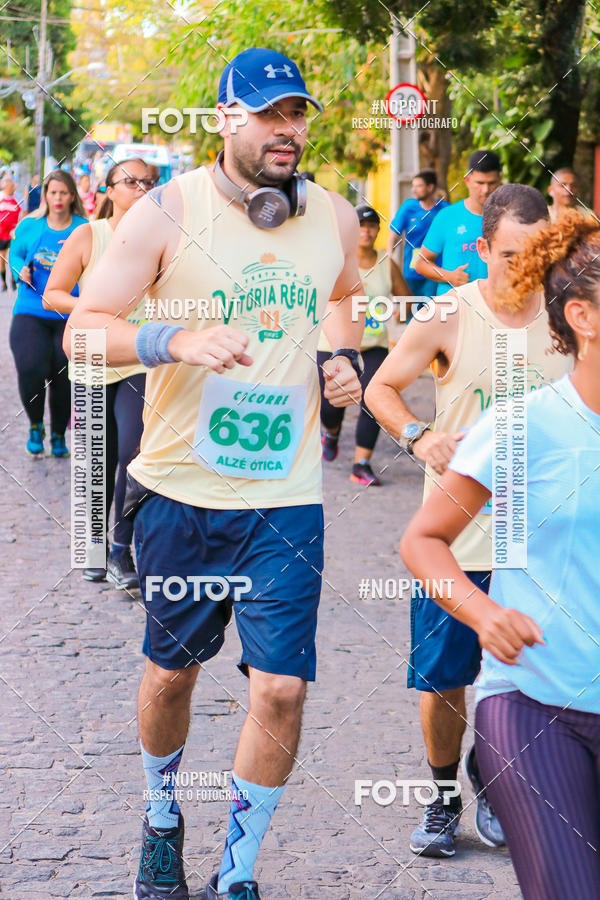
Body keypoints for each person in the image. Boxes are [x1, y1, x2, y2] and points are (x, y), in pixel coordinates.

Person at [66, 47, 364, 900]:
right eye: (270, 114)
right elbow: (83, 335)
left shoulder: (334, 216)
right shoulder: (162, 214)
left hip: (284, 501)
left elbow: (342, 292)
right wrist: (175, 340)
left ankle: (236, 874)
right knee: (172, 673)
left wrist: (340, 359)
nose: (288, 130)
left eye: (298, 114)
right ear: (226, 118)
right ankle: (163, 814)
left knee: (280, 691)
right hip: (180, 493)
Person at [399, 209, 600, 898]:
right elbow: (423, 540)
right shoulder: (526, 425)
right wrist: (483, 615)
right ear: (583, 316)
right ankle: (448, 793)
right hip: (535, 700)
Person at [365, 184, 570, 858]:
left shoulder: (572, 317)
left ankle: (501, 785)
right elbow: (380, 388)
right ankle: (442, 794)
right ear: (480, 248)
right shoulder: (449, 314)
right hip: (454, 540)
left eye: (540, 254)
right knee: (445, 679)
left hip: (543, 542)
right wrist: (419, 436)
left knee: (531, 679)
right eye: (512, 255)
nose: (526, 268)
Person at [44, 159, 156, 587]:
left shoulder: (161, 239)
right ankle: (90, 547)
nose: (142, 188)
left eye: (148, 182)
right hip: (91, 354)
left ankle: (119, 551)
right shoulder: (89, 235)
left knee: (133, 457)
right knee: (96, 459)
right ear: (109, 190)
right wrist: (93, 309)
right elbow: (54, 293)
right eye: (131, 182)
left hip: (136, 357)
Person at [318, 204, 407, 485]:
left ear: (378, 231)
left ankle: (361, 464)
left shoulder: (386, 263)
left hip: (374, 346)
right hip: (333, 344)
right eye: (361, 226)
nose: (367, 231)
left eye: (372, 226)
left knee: (373, 399)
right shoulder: (336, 260)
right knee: (331, 405)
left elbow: (405, 300)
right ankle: (331, 433)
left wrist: (398, 310)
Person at [8, 171, 87, 457]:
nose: (58, 199)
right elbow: (14, 254)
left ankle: (57, 435)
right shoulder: (31, 225)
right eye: (53, 193)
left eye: (63, 193)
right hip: (31, 310)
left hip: (70, 315)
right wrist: (20, 270)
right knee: (30, 367)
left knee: (63, 376)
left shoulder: (84, 228)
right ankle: (34, 426)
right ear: (45, 196)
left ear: (72, 196)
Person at [414, 150, 501, 294]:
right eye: (479, 183)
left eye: (491, 183)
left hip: (495, 308)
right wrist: (450, 276)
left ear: (499, 180)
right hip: (454, 308)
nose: (485, 190)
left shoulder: (508, 217)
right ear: (467, 180)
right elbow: (421, 263)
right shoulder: (447, 216)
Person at [387, 170, 449, 298]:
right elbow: (393, 235)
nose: (414, 190)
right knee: (409, 312)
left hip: (435, 271)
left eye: (418, 186)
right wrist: (389, 258)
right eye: (413, 186)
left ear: (430, 187)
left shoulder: (445, 209)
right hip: (411, 271)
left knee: (430, 312)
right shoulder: (408, 206)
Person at [0, 174, 21, 292]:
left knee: (11, 257)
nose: (14, 187)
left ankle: (13, 281)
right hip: (1, 233)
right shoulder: (0, 197)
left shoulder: (17, 198)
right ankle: (3, 282)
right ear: (5, 186)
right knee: (2, 259)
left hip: (12, 234)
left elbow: (23, 213)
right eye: (11, 185)